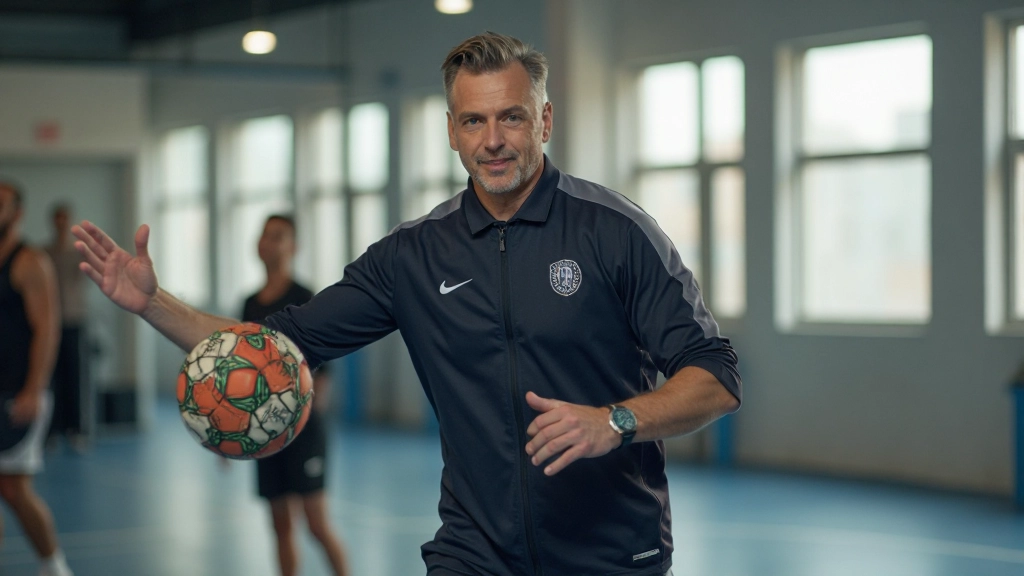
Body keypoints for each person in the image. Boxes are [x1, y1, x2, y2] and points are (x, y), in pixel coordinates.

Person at [72, 32, 741, 576]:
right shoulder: (415, 256)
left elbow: (716, 375)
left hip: (610, 553)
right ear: (451, 131)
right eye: (473, 121)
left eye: (511, 117)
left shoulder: (614, 232)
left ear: (544, 119)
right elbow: (273, 345)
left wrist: (615, 420)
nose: (494, 140)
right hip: (474, 553)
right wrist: (152, 301)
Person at [241, 214, 349, 576]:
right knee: (280, 525)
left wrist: (302, 411)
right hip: (264, 433)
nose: (268, 242)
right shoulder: (249, 304)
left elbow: (325, 370)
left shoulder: (304, 298)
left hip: (303, 432)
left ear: (294, 247)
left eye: (278, 236)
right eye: (265, 235)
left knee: (316, 525)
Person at [0, 181, 74, 576]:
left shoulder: (29, 262)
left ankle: (54, 567)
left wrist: (33, 390)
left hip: (18, 394)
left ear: (16, 213)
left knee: (14, 489)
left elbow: (48, 328)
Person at [44, 203, 89, 452]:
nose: (61, 223)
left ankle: (76, 429)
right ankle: (50, 430)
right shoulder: (44, 252)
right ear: (53, 221)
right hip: (50, 323)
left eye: (65, 218)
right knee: (50, 378)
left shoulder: (79, 252)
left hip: (74, 321)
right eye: (58, 218)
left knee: (75, 378)